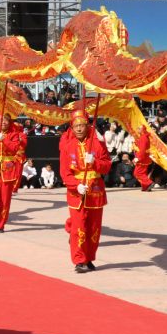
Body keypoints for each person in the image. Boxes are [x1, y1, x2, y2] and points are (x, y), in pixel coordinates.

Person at [59, 110, 112, 273]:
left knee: (94, 228)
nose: (80, 129)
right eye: (76, 126)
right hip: (77, 192)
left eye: (82, 125)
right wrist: (76, 185)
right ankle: (79, 260)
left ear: (88, 126)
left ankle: (89, 258)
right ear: (72, 128)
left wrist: (95, 162)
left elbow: (107, 165)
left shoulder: (97, 144)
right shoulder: (68, 147)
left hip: (95, 190)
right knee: (79, 227)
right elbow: (64, 172)